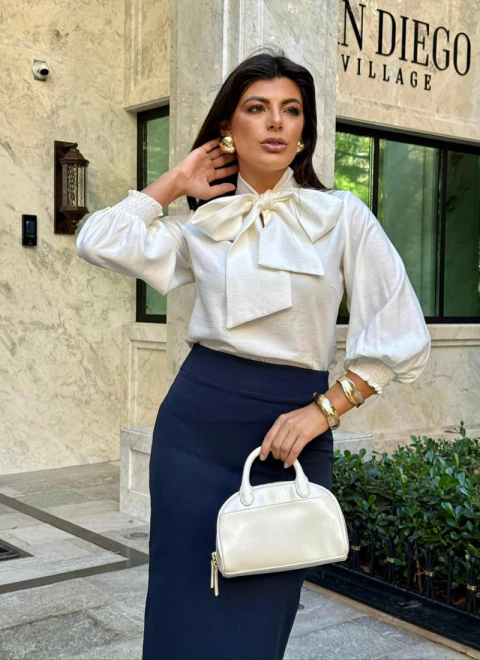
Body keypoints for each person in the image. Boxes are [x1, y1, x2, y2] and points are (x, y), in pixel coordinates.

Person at [76, 46, 431, 660]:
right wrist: (178, 181)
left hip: (289, 435)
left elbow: (399, 331)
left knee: (259, 620)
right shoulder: (204, 224)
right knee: (181, 605)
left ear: (304, 130)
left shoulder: (341, 216)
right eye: (257, 108)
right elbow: (97, 239)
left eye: (291, 110)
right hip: (194, 432)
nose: (276, 123)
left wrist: (324, 410)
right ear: (227, 127)